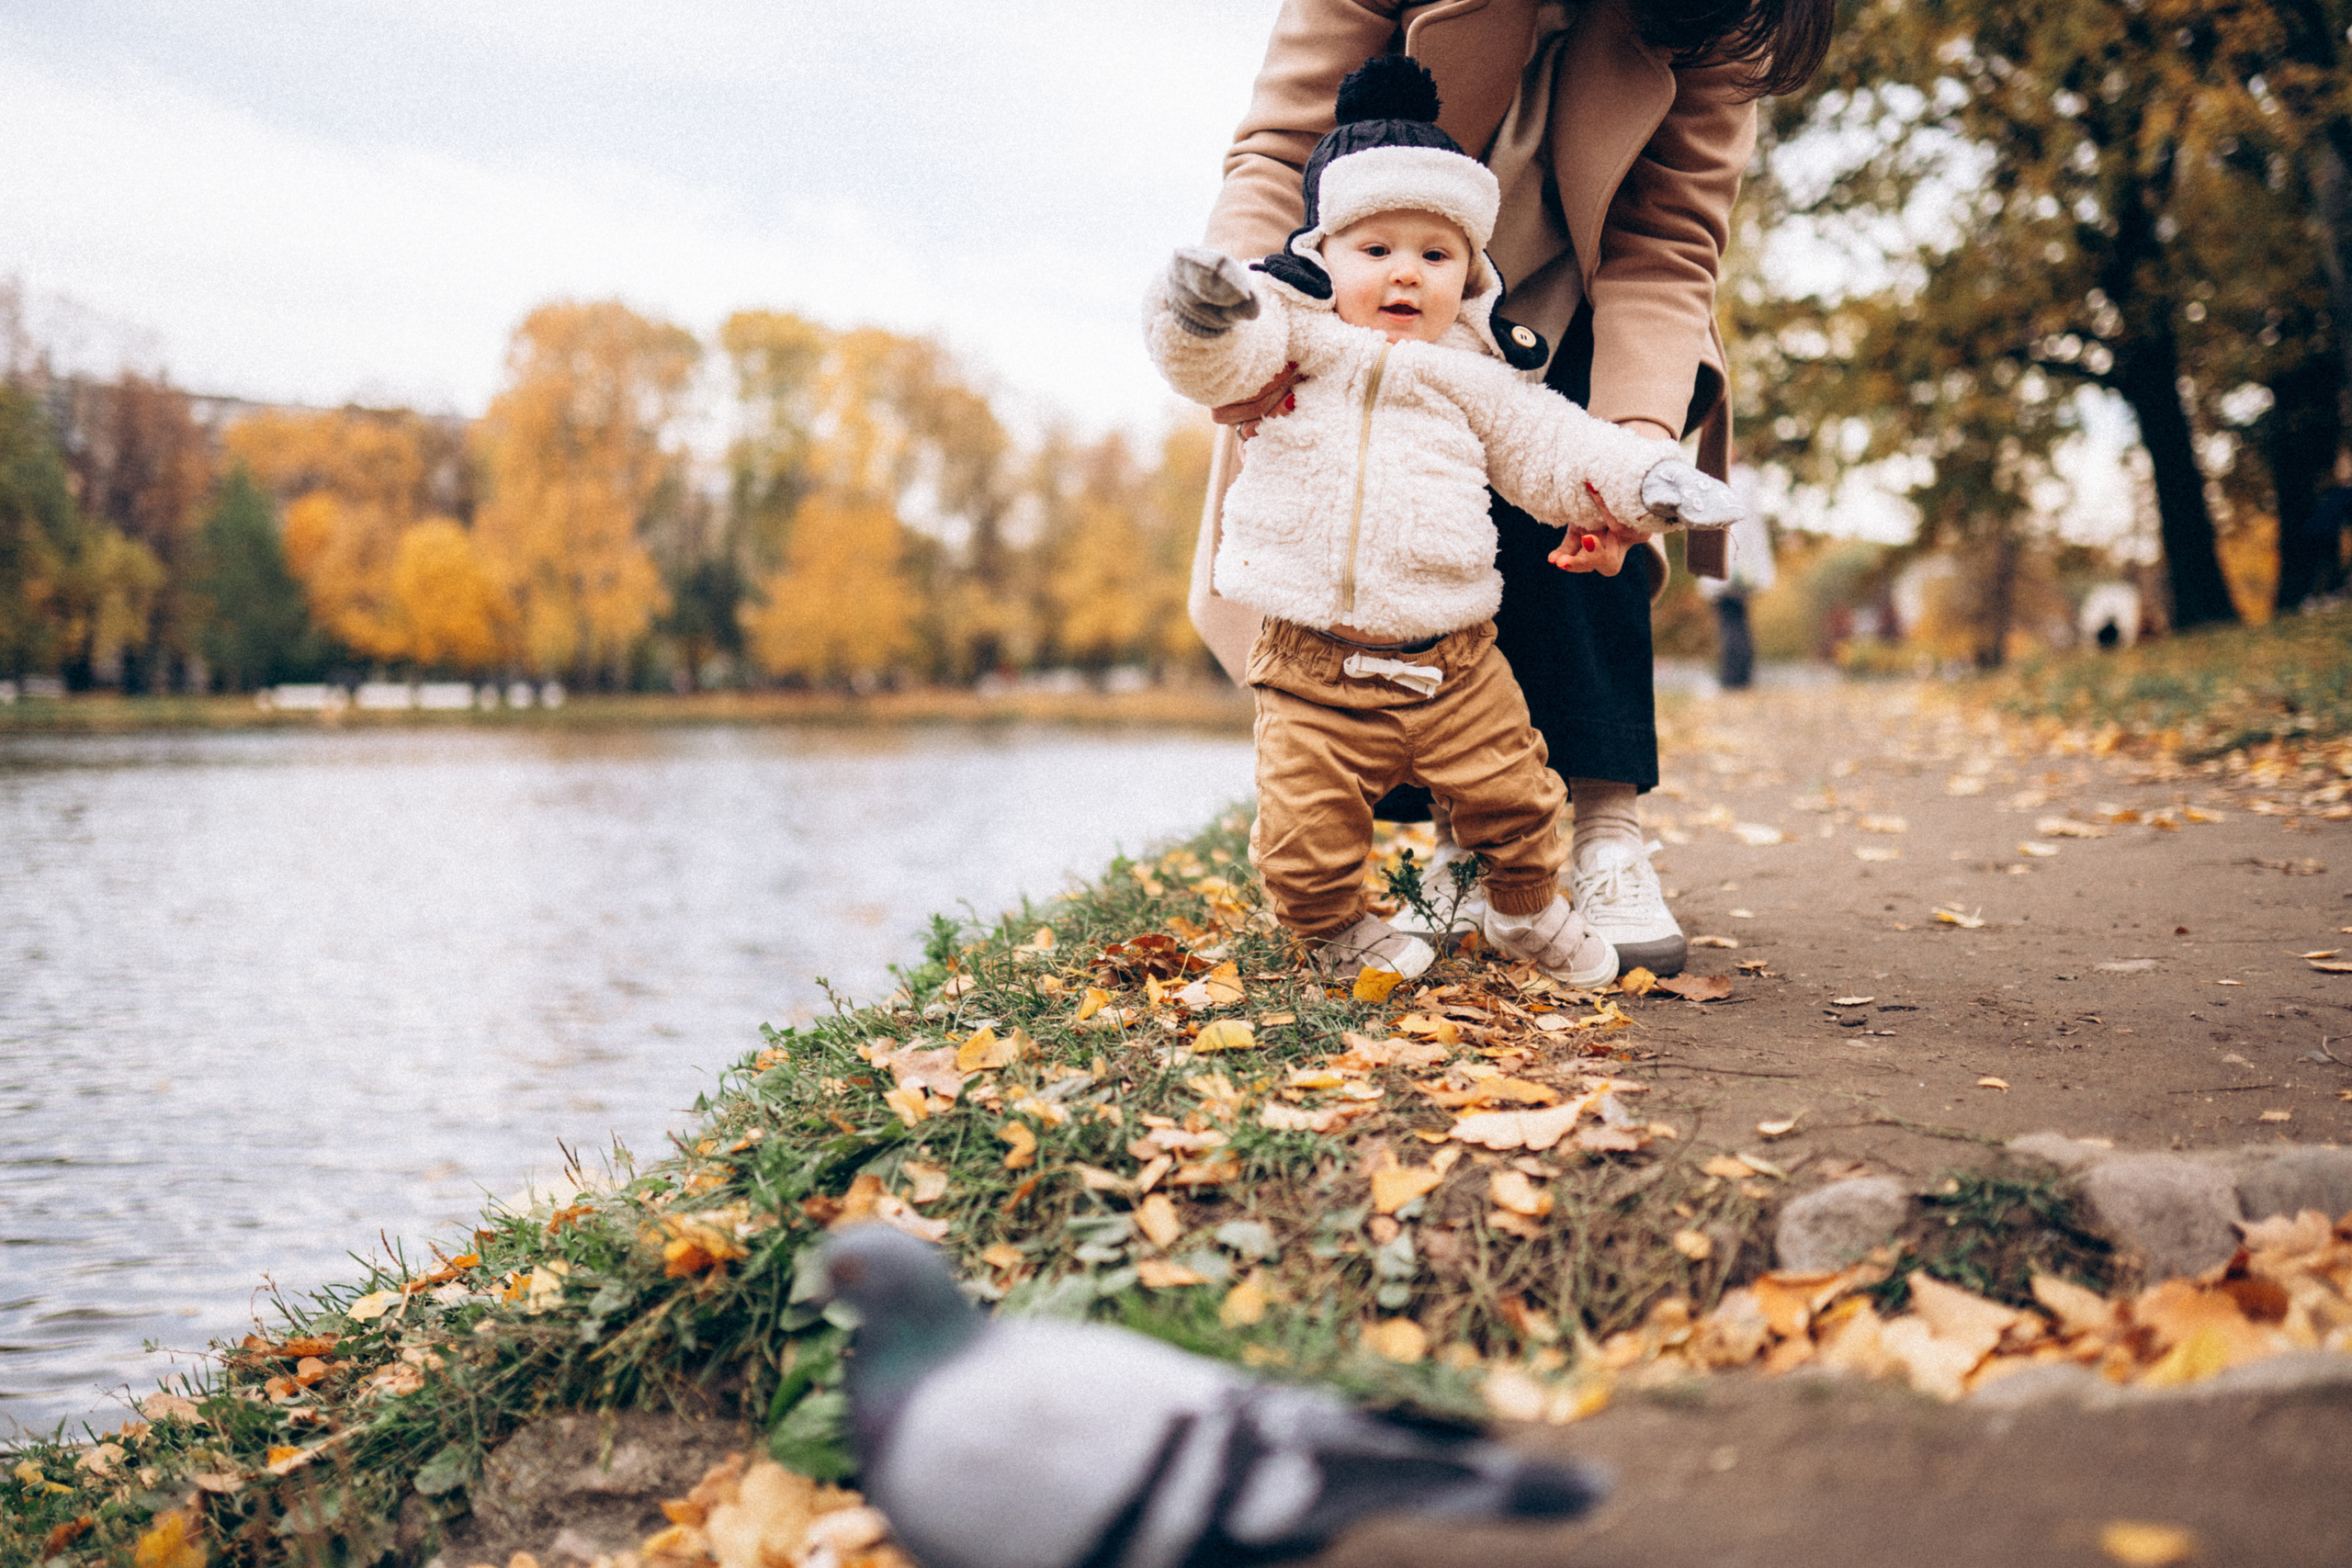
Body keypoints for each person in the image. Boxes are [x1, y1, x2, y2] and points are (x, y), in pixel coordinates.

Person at [1187, 0, 1834, 977]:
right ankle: (1460, 834)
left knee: (1587, 482)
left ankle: (1607, 830)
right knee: (1386, 555)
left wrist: (1637, 449)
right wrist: (1247, 331)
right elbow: (1283, 148)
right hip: (1372, 293)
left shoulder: (1713, 18)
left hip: (1581, 301)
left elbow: (1665, 242)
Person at [1697, 459, 1774, 689]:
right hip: (1741, 568)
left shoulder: (1731, 483)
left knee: (1730, 623)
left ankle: (1732, 678)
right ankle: (1742, 676)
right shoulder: (1747, 484)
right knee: (1739, 621)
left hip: (1729, 568)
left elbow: (1735, 531)